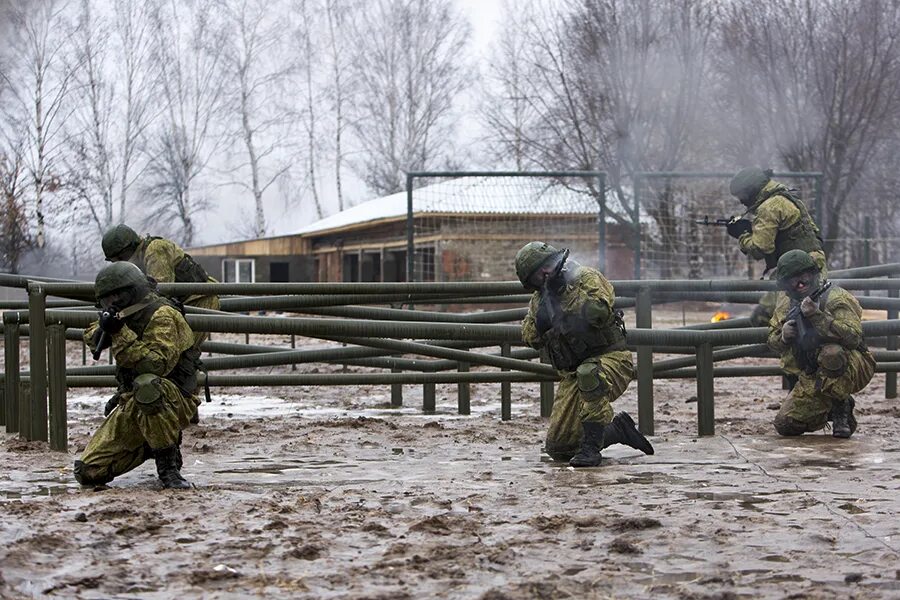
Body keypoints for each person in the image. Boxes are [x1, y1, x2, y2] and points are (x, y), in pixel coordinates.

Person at [516, 241, 654, 467]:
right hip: (574, 373)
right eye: (537, 277)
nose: (545, 276)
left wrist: (565, 295)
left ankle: (591, 449)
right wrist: (541, 322)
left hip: (612, 360)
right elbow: (528, 336)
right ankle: (618, 430)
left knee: (589, 373)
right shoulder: (539, 300)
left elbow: (597, 312)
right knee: (559, 448)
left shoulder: (586, 278)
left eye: (547, 268)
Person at [75, 262, 199, 489]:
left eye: (112, 299)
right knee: (88, 471)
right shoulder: (123, 313)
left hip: (174, 398)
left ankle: (168, 468)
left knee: (148, 385)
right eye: (105, 301)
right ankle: (153, 442)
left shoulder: (163, 315)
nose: (109, 304)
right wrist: (105, 326)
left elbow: (154, 366)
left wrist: (119, 333)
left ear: (127, 293)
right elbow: (91, 334)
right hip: (136, 398)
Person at [767, 250, 874, 438]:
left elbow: (853, 337)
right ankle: (831, 407)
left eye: (803, 275)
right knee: (786, 424)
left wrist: (816, 316)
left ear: (813, 274)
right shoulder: (786, 303)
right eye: (793, 279)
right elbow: (772, 342)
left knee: (831, 353)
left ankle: (841, 409)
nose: (799, 282)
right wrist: (783, 337)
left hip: (852, 365)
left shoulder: (836, 297)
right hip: (812, 372)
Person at [726, 168, 827, 326]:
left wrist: (743, 236)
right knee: (805, 320)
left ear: (751, 190)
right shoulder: (786, 197)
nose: (742, 201)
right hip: (811, 265)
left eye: (742, 196)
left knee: (763, 319)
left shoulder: (769, 206)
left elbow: (761, 248)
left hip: (796, 272)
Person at [101, 223, 219, 348]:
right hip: (181, 304)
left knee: (181, 351)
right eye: (116, 261)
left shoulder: (155, 249)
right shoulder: (136, 262)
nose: (121, 263)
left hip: (200, 300)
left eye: (122, 257)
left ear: (132, 247)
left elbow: (161, 290)